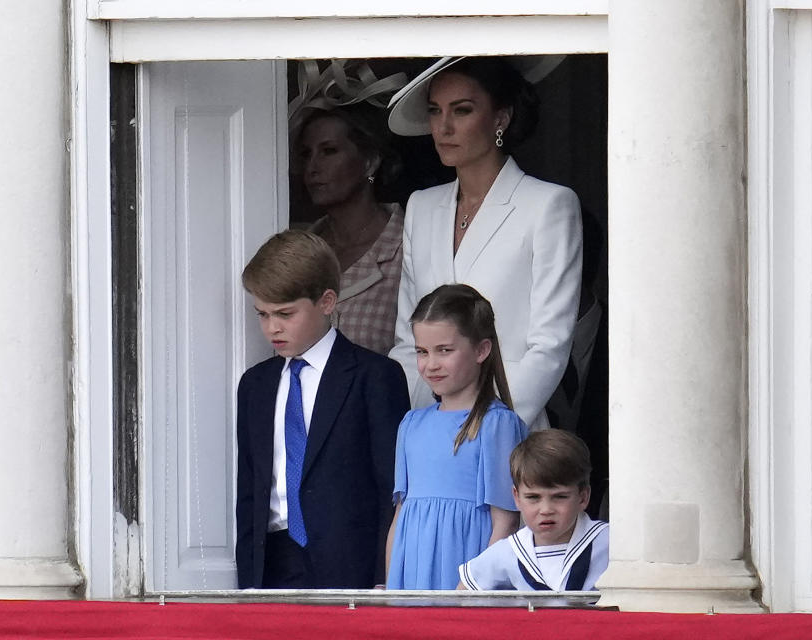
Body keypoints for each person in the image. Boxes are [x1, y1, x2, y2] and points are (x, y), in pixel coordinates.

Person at [387, 56, 583, 430]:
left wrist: (487, 425)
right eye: (434, 111)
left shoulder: (548, 205)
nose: (444, 127)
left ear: (500, 118)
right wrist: (420, 425)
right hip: (429, 430)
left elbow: (549, 346)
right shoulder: (421, 206)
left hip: (510, 430)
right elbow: (406, 341)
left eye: (462, 110)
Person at [236, 229, 410, 589]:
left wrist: (385, 575)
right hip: (272, 565)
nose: (272, 328)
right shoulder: (255, 385)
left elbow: (391, 487)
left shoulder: (374, 376)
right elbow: (251, 489)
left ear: (327, 301)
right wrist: (248, 578)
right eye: (263, 314)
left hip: (351, 565)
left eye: (285, 313)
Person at [386, 284, 527, 590]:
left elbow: (505, 522)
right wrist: (392, 588)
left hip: (466, 576)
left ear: (481, 350)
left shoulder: (496, 424)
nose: (430, 364)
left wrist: (474, 589)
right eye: (422, 352)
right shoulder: (411, 424)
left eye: (444, 350)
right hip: (413, 577)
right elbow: (399, 520)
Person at [297, 106, 404, 355]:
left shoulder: (407, 245)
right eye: (306, 154)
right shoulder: (299, 252)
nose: (312, 167)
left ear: (369, 162)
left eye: (328, 151)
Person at [457, 429, 609, 592]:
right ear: (517, 498)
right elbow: (460, 597)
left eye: (560, 497)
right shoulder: (509, 551)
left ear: (583, 497)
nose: (546, 509)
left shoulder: (610, 544)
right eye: (533, 497)